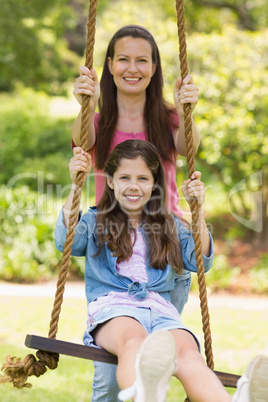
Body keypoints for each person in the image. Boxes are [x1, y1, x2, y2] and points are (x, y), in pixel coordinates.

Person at [55, 140, 268, 402]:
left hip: (161, 312)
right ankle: (145, 393)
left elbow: (200, 259)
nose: (134, 185)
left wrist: (197, 210)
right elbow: (67, 241)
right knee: (134, 341)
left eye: (143, 178)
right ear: (110, 181)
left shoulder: (169, 225)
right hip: (115, 309)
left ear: (154, 183)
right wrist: (76, 186)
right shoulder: (95, 221)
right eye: (125, 177)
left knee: (188, 355)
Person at [71, 25, 200, 400]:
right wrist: (86, 101)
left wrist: (190, 107)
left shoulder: (169, 117)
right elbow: (81, 143)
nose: (132, 67)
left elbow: (191, 147)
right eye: (123, 59)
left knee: (168, 353)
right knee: (113, 373)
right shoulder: (98, 120)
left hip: (165, 246)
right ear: (109, 65)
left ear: (155, 66)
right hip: (114, 246)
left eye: (142, 59)